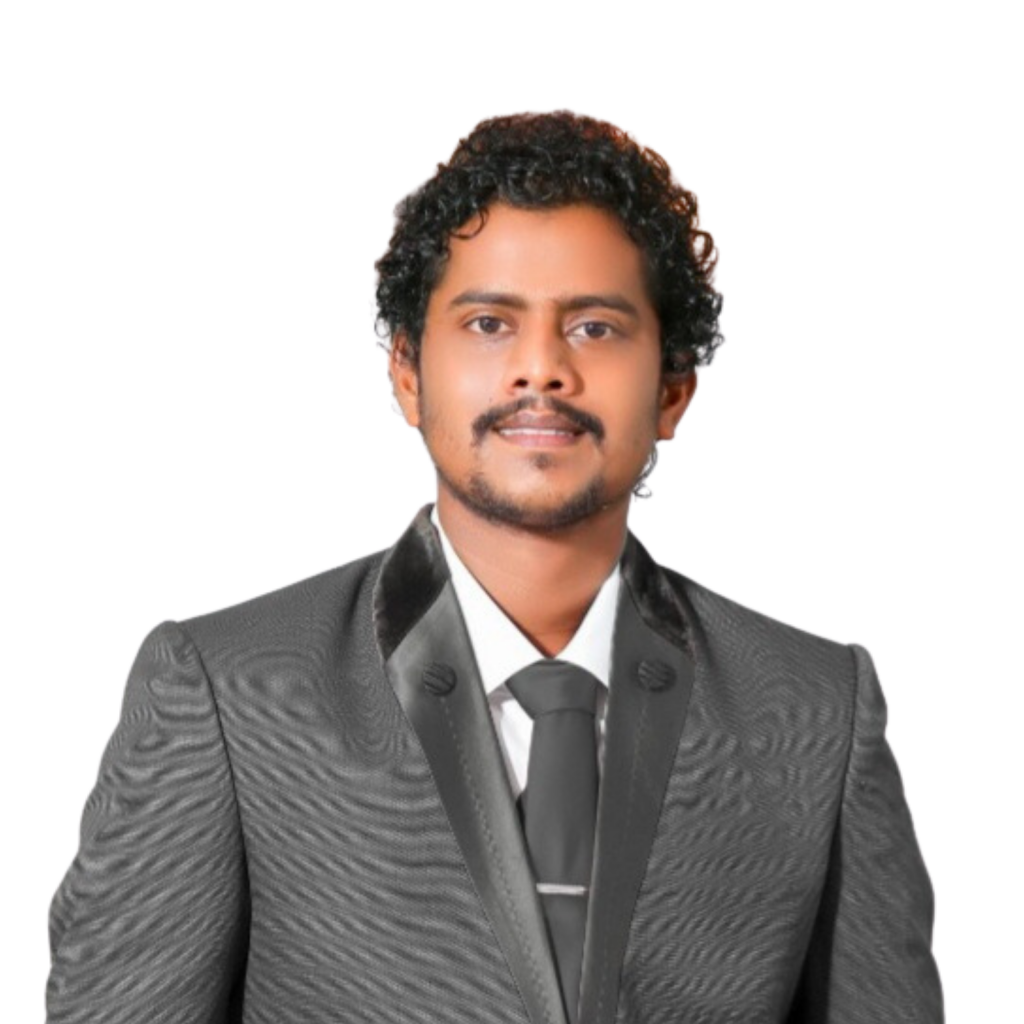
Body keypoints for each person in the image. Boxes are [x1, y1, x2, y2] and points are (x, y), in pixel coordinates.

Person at [46, 112, 943, 1024]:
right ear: (407, 373)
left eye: (595, 327)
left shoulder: (817, 712)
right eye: (488, 323)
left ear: (672, 389)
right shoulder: (229, 695)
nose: (541, 369)